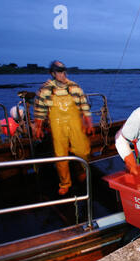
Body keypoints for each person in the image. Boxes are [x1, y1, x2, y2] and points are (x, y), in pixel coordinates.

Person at [34, 60, 94, 195]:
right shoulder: (45, 89)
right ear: (53, 73)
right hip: (57, 125)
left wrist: (88, 123)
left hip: (75, 123)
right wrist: (38, 127)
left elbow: (84, 105)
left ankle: (82, 170)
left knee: (82, 150)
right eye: (59, 72)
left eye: (63, 71)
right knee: (61, 155)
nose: (62, 74)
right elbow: (40, 110)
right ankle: (65, 183)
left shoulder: (75, 87)